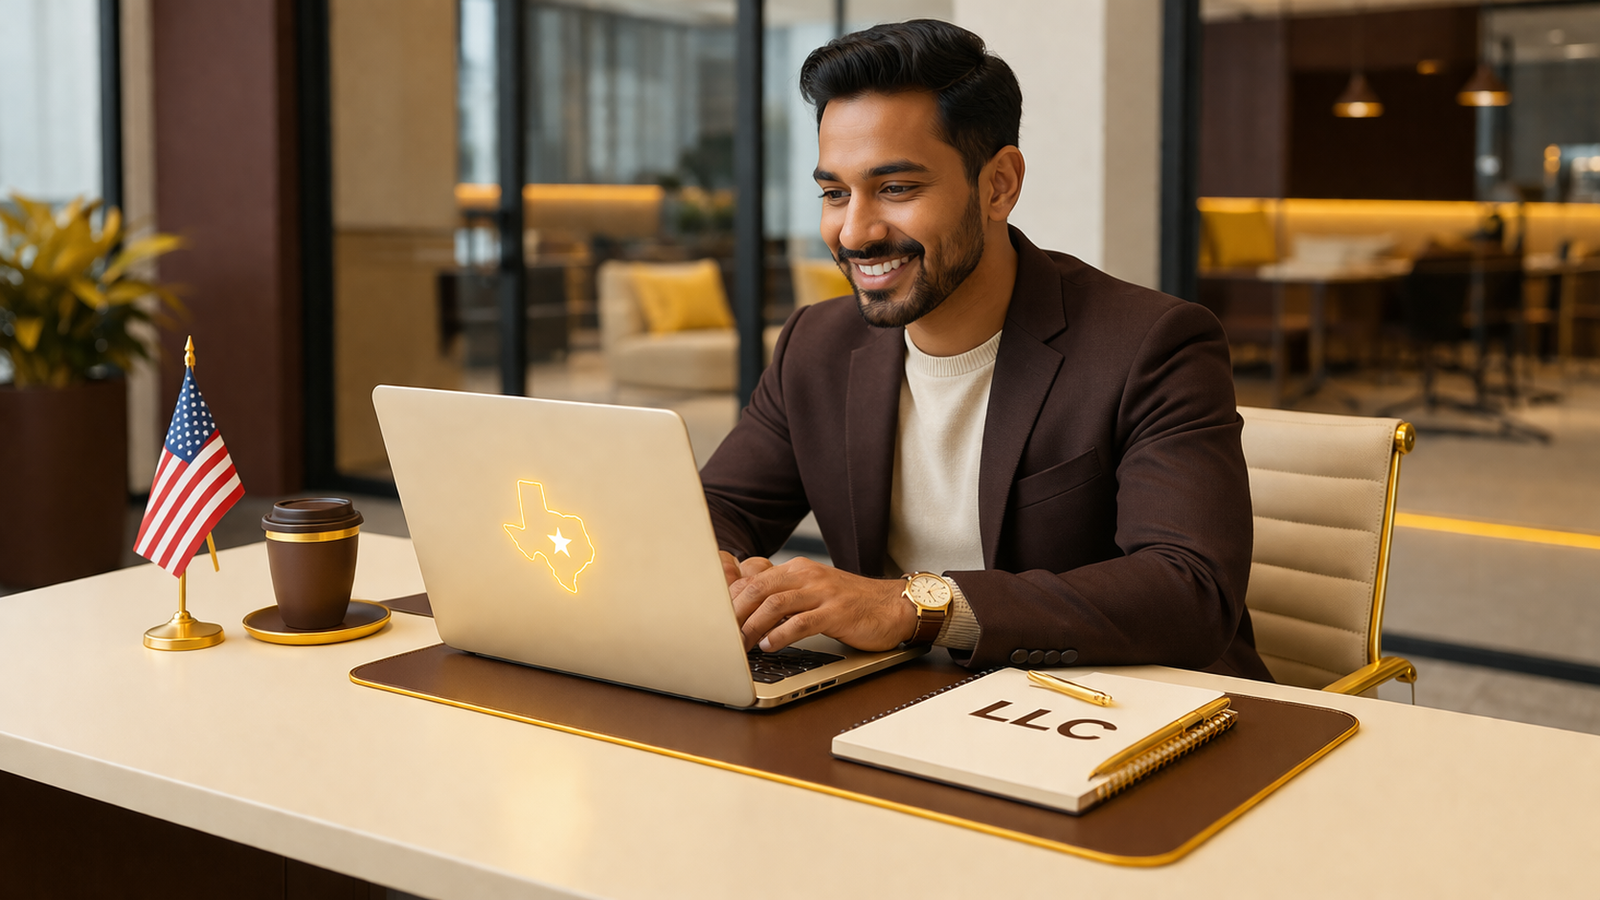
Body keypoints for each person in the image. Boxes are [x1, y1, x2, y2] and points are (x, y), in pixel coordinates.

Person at [700, 19, 1271, 681]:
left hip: (1115, 708)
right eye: (835, 193)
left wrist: (916, 604)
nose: (855, 231)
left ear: (998, 184)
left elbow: (1190, 589)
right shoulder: (816, 345)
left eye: (897, 189)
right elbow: (723, 509)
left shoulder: (1153, 344)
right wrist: (706, 560)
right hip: (898, 700)